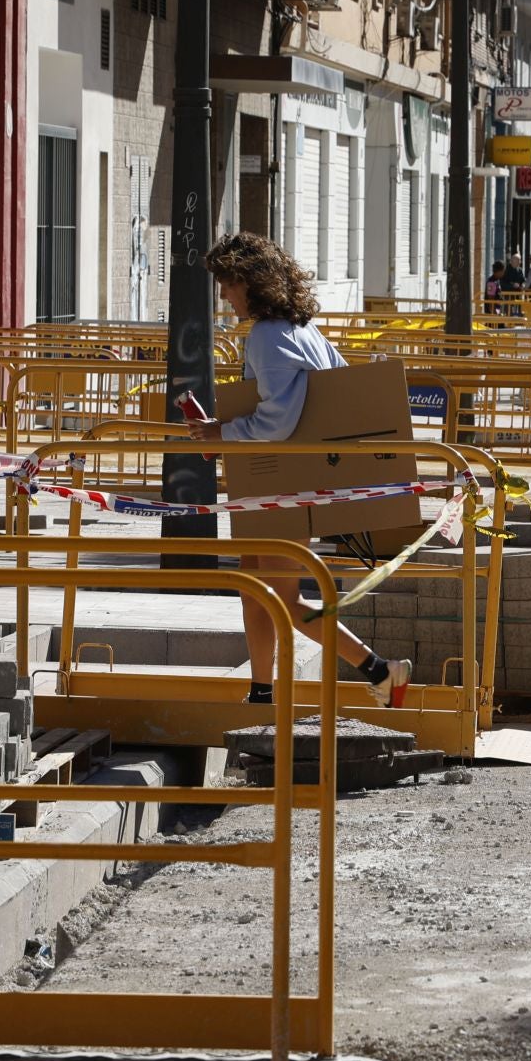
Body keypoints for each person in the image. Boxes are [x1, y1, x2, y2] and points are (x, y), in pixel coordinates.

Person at [184, 232, 414, 709]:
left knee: (282, 598)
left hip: (285, 485)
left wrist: (223, 434)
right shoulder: (301, 328)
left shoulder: (268, 336)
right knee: (252, 583)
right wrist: (223, 431)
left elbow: (279, 420)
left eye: (228, 284)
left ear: (250, 282)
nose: (224, 296)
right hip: (291, 481)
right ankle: (262, 690)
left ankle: (379, 669)